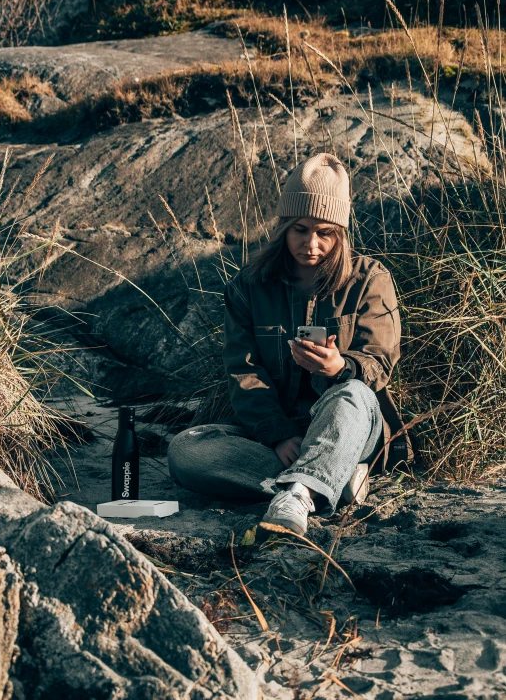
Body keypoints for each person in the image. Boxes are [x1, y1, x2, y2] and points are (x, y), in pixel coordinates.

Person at [168, 153, 412, 536]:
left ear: (340, 233)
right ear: (283, 227)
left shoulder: (370, 279)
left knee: (351, 393)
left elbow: (380, 362)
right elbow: (243, 370)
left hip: (349, 424)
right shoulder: (249, 286)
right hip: (280, 437)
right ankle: (328, 479)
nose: (310, 244)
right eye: (300, 229)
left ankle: (297, 493)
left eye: (325, 233)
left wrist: (338, 366)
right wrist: (278, 432)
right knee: (186, 449)